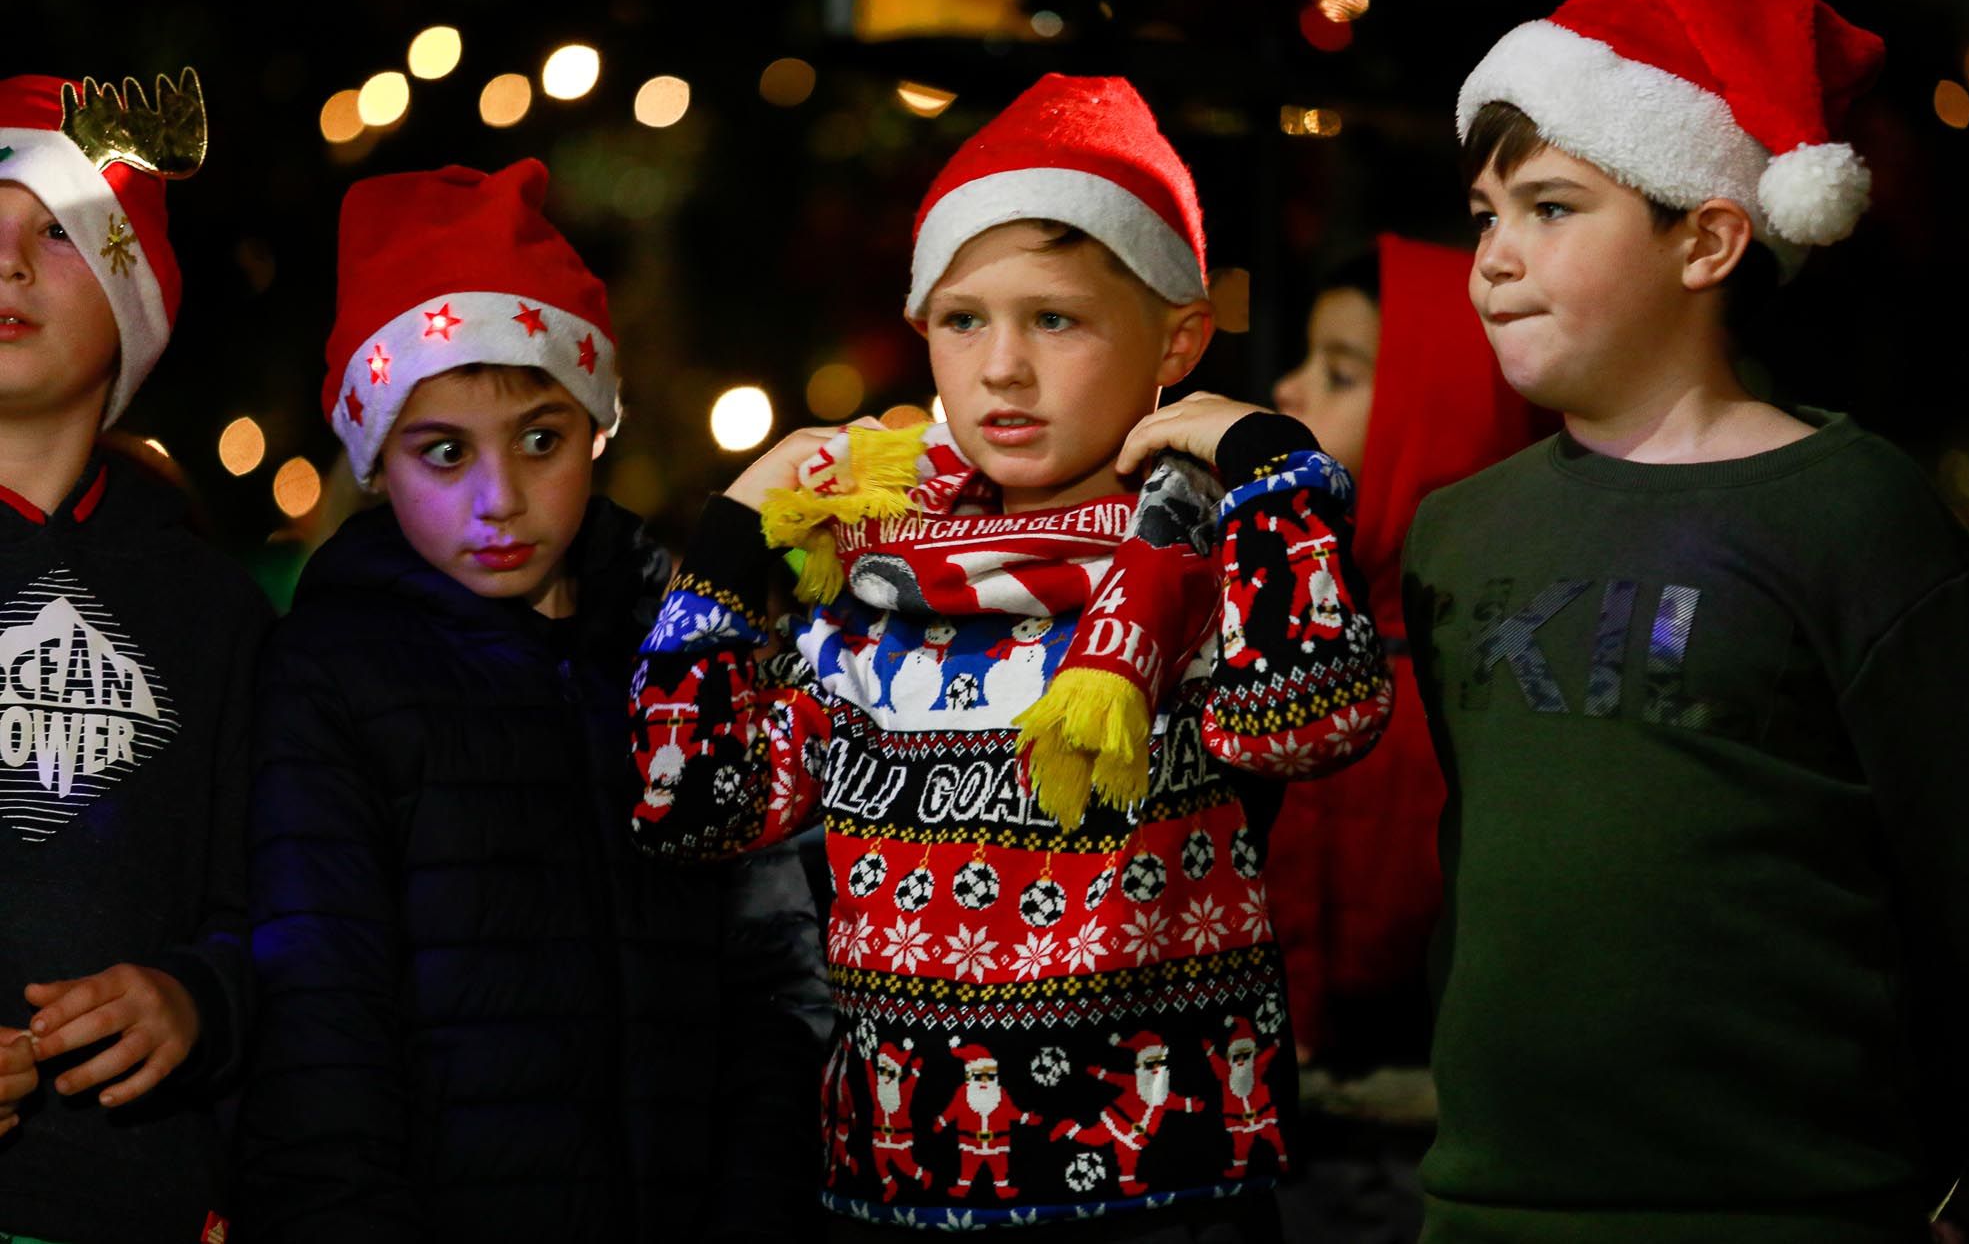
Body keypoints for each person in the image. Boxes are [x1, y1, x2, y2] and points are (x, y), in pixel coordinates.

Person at [631, 73, 1391, 1237]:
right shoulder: (868, 577)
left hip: (1163, 1194)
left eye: (1055, 318)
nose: (1000, 368)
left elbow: (1313, 715)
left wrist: (1267, 464)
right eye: (962, 318)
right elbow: (685, 805)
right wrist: (736, 530)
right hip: (905, 1185)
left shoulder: (1197, 559)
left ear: (1176, 336)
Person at [1403, 0, 1969, 1243]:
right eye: (1483, 214)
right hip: (1491, 1209)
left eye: (1552, 208)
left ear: (1709, 236)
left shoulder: (1849, 514)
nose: (1494, 258)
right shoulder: (1457, 531)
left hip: (1793, 1208)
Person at [236, 160, 828, 1241]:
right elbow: (322, 1036)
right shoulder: (334, 674)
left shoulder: (686, 652)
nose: (498, 498)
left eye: (540, 439)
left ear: (599, 423)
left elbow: (777, 984)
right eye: (444, 452)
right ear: (375, 461)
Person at [0, 70, 269, 1244]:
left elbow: (280, 907)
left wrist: (198, 999)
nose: (5, 264)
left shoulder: (214, 610)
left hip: (133, 1203)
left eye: (55, 235)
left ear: (135, 298)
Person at [1266, 237, 1544, 1243]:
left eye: (1340, 371)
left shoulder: (1489, 670)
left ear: (1442, 408)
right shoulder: (1265, 617)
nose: (1288, 388)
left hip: (1444, 1156)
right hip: (1264, 1144)